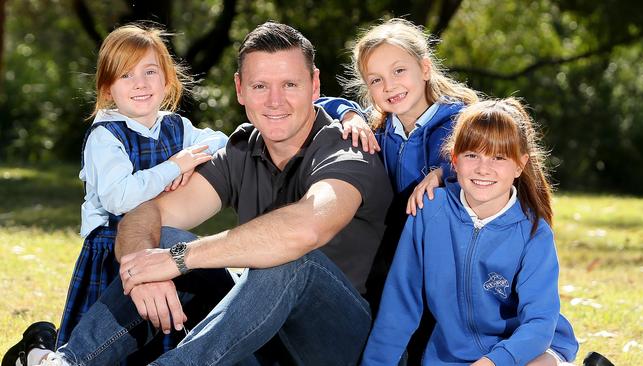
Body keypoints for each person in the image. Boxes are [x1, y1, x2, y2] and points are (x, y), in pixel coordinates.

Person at [14, 21, 392, 366]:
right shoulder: (242, 149)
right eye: (260, 86)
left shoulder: (348, 147)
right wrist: (143, 268)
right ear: (240, 89)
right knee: (162, 239)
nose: (275, 101)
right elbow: (146, 216)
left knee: (292, 259)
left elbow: (305, 230)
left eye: (290, 84)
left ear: (315, 85)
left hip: (343, 348)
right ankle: (69, 362)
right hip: (255, 339)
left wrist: (179, 260)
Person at [2, 24, 227, 366]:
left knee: (153, 340)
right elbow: (120, 198)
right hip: (110, 250)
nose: (140, 83)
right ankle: (35, 349)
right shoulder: (105, 137)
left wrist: (190, 162)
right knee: (103, 347)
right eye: (125, 75)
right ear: (108, 88)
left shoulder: (176, 127)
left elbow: (222, 142)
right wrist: (173, 167)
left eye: (150, 71)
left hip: (155, 245)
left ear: (167, 79)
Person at [361, 98, 580, 365]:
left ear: (520, 165)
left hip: (526, 351)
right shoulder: (430, 212)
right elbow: (400, 303)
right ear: (454, 159)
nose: (483, 168)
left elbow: (539, 323)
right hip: (450, 357)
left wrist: (493, 362)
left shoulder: (533, 231)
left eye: (498, 157)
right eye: (472, 155)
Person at [315, 18, 479, 362]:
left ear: (424, 68)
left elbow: (490, 155)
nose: (390, 86)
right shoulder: (379, 129)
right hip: (391, 258)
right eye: (376, 80)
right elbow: (319, 102)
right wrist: (348, 114)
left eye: (399, 71)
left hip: (450, 263)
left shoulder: (459, 121)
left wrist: (445, 170)